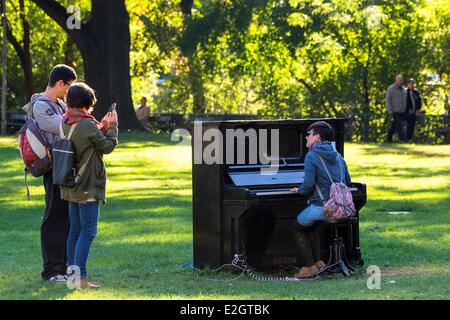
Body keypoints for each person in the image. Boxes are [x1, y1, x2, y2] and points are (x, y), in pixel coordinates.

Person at [22, 64, 77, 282]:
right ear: (60, 83)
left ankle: (62, 267)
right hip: (53, 167)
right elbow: (63, 128)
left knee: (65, 216)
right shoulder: (41, 106)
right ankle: (52, 270)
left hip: (64, 164)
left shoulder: (60, 104)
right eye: (69, 86)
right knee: (54, 215)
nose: (69, 91)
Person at [60, 82, 119, 289]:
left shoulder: (65, 120)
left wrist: (100, 127)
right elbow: (106, 146)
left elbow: (85, 142)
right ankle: (81, 278)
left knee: (74, 232)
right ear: (87, 102)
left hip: (70, 184)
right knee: (88, 232)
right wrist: (112, 129)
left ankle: (73, 276)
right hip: (86, 185)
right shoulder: (86, 124)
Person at [289, 121, 352, 278]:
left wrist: (300, 190)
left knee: (296, 226)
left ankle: (310, 267)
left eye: (308, 135)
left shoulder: (312, 155)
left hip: (322, 208)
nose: (306, 138)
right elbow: (348, 181)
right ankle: (318, 263)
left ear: (316, 137)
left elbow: (308, 185)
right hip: (341, 207)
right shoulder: (337, 155)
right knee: (311, 226)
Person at [386, 74, 407, 142]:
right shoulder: (391, 88)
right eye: (399, 80)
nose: (400, 81)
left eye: (401, 80)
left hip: (402, 111)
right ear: (396, 80)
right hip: (395, 110)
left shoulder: (404, 89)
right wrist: (390, 109)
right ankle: (402, 139)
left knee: (394, 125)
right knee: (399, 125)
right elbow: (388, 100)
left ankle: (389, 138)